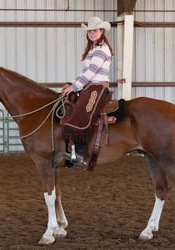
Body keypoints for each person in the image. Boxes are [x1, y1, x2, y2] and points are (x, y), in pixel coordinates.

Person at [61, 16, 114, 168]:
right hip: (89, 86)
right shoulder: (93, 49)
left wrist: (74, 87)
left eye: (95, 30)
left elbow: (91, 72)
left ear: (101, 31)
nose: (92, 33)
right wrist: (73, 83)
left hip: (97, 87)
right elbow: (85, 72)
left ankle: (81, 154)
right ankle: (71, 150)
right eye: (89, 31)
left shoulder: (101, 49)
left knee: (82, 112)